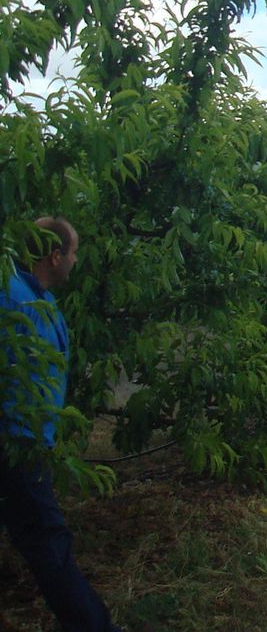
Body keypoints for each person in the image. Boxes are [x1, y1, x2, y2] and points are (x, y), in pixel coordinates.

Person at [1, 217, 123, 632]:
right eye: (72, 253)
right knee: (49, 543)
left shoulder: (39, 297)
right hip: (17, 445)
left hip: (30, 444)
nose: (75, 261)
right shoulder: (11, 297)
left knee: (41, 540)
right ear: (55, 256)